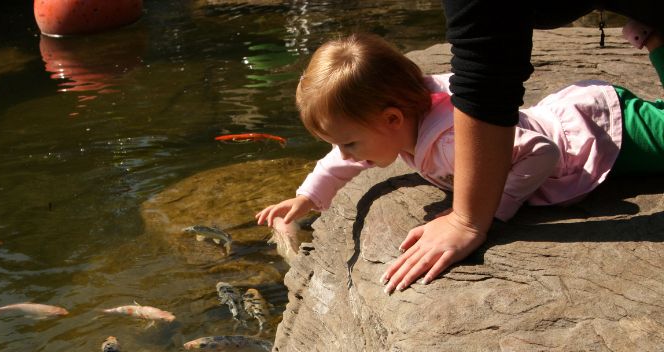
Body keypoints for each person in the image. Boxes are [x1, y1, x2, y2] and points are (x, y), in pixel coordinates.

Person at [256, 29, 664, 293]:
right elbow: (342, 161)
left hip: (606, 135)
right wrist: (308, 197)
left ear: (392, 119)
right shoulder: (405, 117)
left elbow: (543, 152)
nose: (345, 155)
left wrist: (491, 211)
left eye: (349, 142)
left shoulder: (449, 143)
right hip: (582, 120)